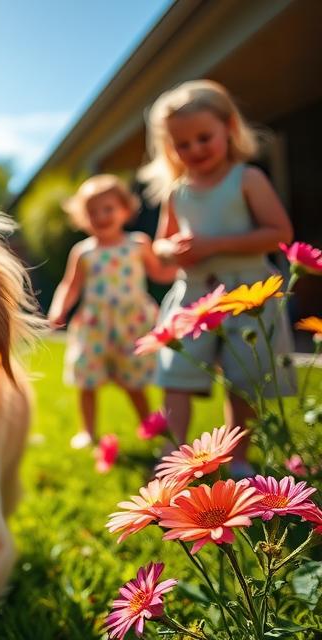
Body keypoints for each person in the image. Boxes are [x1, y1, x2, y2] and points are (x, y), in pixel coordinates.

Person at [139, 79, 296, 475]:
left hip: (248, 293)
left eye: (203, 138)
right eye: (182, 144)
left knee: (244, 378)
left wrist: (212, 245)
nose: (194, 150)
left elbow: (279, 233)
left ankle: (237, 457)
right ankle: (173, 456)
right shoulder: (178, 192)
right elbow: (161, 243)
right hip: (192, 294)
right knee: (176, 376)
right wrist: (171, 249)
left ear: (229, 127)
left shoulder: (247, 179)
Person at [48, 174, 176, 449]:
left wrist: (185, 271)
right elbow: (70, 285)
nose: (101, 216)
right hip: (94, 325)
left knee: (133, 381)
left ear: (125, 210)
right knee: (87, 380)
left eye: (108, 209)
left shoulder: (138, 244)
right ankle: (88, 431)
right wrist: (59, 310)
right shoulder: (83, 252)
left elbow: (159, 272)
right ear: (82, 218)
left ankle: (149, 425)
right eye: (92, 212)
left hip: (131, 323)